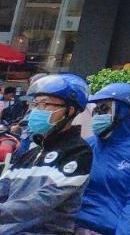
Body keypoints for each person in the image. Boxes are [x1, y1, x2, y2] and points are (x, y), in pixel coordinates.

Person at [0, 73, 93, 235]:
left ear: (70, 110)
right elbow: (3, 188)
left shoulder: (78, 152)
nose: (36, 111)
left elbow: (42, 202)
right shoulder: (32, 153)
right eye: (35, 104)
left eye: (44, 104)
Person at [75, 83, 130, 235]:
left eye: (105, 109)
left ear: (123, 112)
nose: (98, 114)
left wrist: (123, 232)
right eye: (96, 109)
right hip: (72, 226)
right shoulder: (86, 145)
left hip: (108, 229)